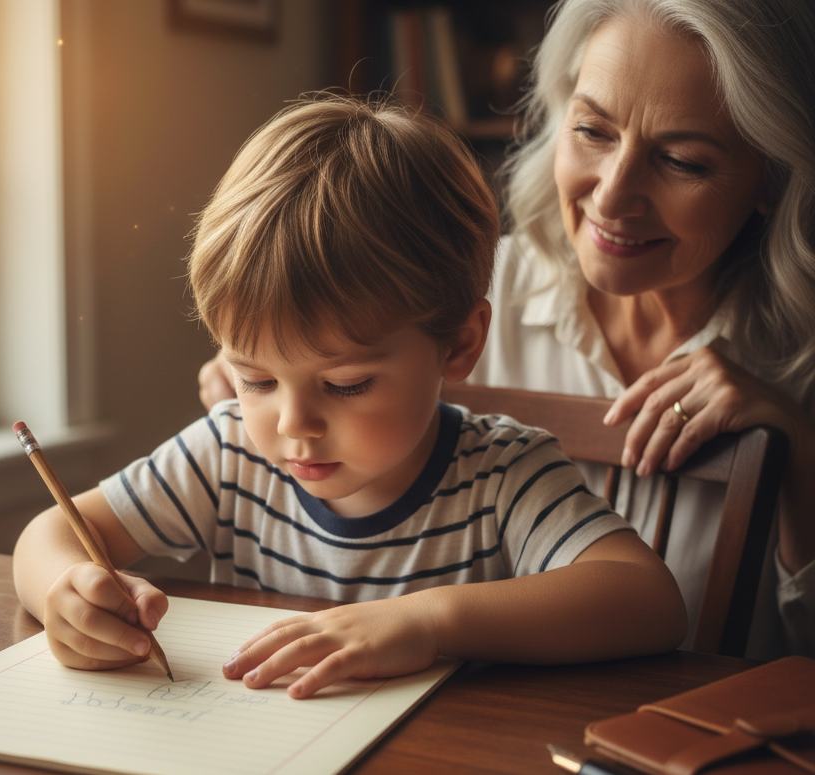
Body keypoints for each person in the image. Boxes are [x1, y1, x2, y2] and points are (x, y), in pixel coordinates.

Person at [196, 0, 815, 661]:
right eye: (593, 131)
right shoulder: (441, 291)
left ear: (771, 177)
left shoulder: (797, 362)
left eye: (682, 161)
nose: (611, 195)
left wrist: (799, 449)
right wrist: (269, 372)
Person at [14, 95, 686, 699]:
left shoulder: (504, 475)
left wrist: (426, 621)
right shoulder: (226, 453)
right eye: (257, 380)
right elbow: (51, 533)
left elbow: (649, 601)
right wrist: (65, 590)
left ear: (458, 344)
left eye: (346, 384)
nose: (294, 423)